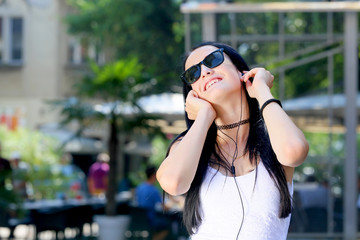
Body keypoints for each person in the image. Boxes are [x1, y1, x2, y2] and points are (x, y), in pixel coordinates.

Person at [156, 42, 309, 239]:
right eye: (193, 74)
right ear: (193, 93)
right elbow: (173, 183)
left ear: (240, 71)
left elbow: (294, 151)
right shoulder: (188, 146)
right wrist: (204, 115)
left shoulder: (275, 139)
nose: (204, 72)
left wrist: (261, 89)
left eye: (213, 60)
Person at [135, 166, 170, 240]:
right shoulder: (153, 190)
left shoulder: (140, 187)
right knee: (168, 226)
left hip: (139, 219)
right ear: (154, 175)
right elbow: (165, 208)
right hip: (150, 219)